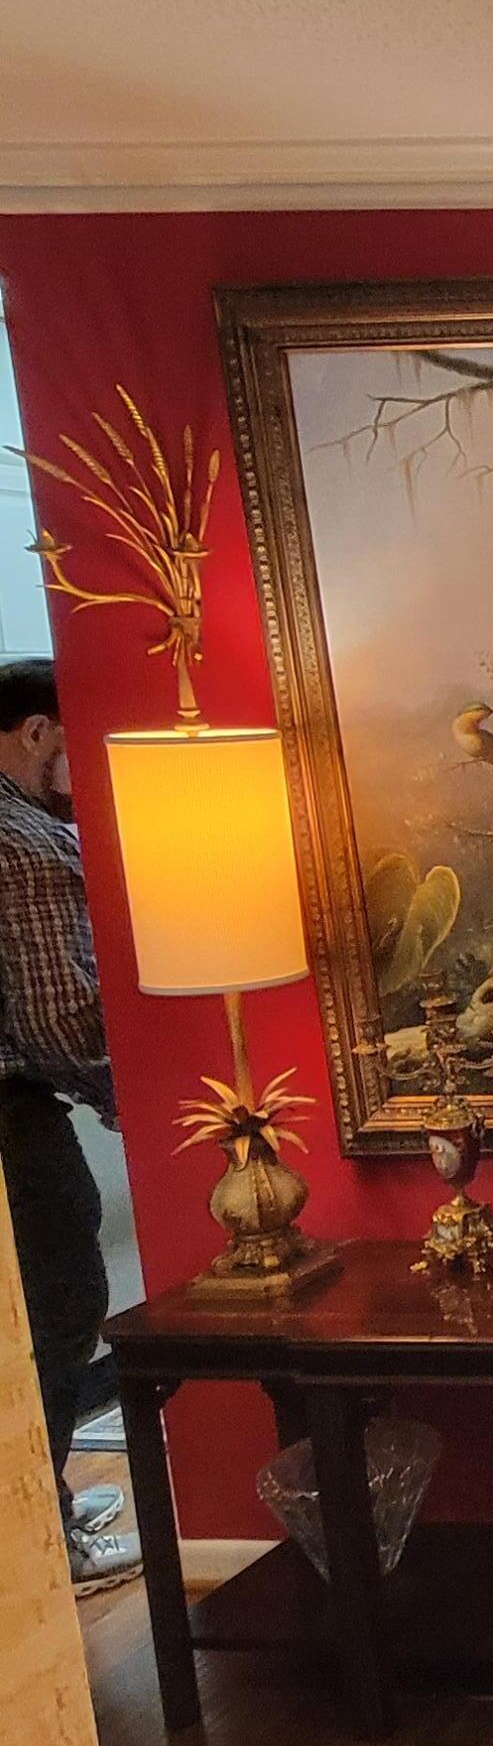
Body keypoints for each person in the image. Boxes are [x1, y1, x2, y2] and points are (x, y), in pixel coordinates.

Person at [0, 659, 133, 1587]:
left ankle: (33, 1506)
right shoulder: (28, 843)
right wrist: (135, 1101)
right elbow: (60, 1020)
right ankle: (43, 1542)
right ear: (38, 732)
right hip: (14, 1116)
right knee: (61, 1305)